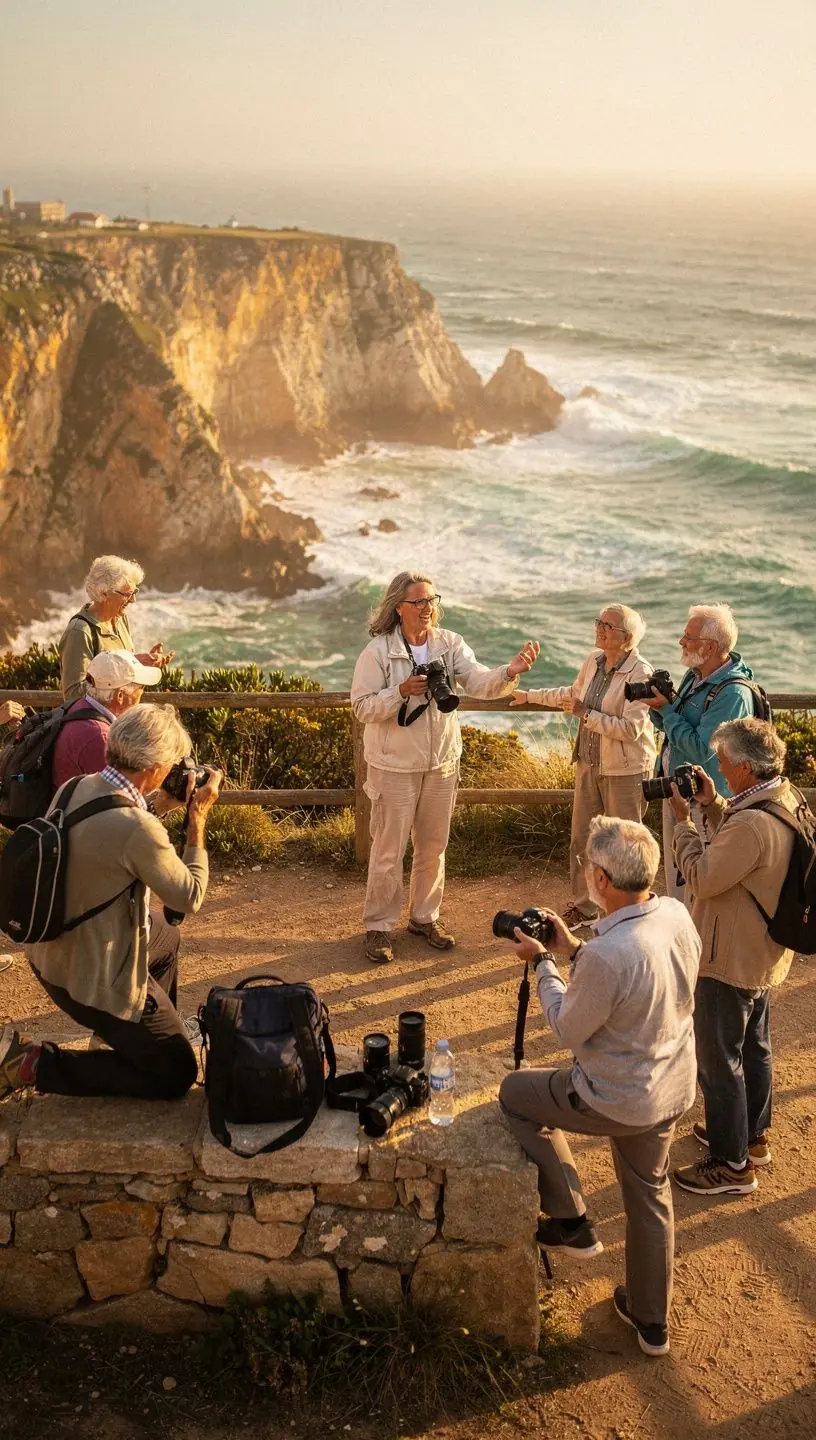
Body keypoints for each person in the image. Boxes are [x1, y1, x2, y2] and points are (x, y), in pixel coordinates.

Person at [499, 815, 701, 1358]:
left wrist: (544, 963)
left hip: (613, 1095)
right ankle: (650, 1322)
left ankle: (573, 1221)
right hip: (670, 1085)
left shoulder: (610, 956)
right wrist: (571, 948)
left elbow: (567, 1027)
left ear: (603, 880)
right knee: (650, 1197)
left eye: (593, 868)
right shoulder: (676, 916)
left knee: (515, 1096)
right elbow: (639, 980)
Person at [0, 705, 221, 1103]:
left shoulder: (77, 786)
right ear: (154, 766)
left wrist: (163, 808)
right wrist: (197, 821)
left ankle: (134, 1037)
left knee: (166, 935)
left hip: (50, 956)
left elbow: (109, 838)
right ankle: (31, 1064)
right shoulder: (138, 828)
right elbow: (188, 896)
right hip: (86, 980)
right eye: (171, 761)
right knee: (176, 1074)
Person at [351, 571, 540, 965]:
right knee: (388, 851)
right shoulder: (378, 652)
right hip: (393, 766)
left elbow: (477, 681)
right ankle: (379, 926)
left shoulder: (449, 643)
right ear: (398, 608)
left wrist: (510, 671)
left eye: (432, 600)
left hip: (441, 763)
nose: (427, 608)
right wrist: (399, 692)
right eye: (418, 602)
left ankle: (424, 917)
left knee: (434, 847)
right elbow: (362, 707)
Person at [669, 719, 799, 1197]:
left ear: (745, 767)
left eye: (723, 763)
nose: (718, 768)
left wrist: (683, 823)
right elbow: (749, 848)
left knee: (718, 1060)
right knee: (753, 1048)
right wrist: (713, 804)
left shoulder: (749, 824)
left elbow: (702, 877)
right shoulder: (782, 797)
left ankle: (731, 1165)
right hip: (762, 951)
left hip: (729, 958)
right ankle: (750, 1137)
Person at [511, 605, 656, 927]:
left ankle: (627, 913)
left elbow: (631, 729)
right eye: (599, 622)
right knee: (583, 839)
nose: (600, 629)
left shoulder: (641, 673)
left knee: (625, 845)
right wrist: (529, 696)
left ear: (628, 638)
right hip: (589, 764)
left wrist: (586, 715)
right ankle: (585, 907)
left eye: (609, 626)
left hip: (626, 771)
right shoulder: (594, 660)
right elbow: (573, 695)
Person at [645, 603, 758, 903]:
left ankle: (699, 946)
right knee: (676, 877)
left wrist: (667, 711)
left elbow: (701, 750)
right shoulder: (695, 676)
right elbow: (672, 726)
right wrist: (657, 708)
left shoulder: (732, 693)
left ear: (709, 647)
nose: (681, 642)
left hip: (705, 802)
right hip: (679, 791)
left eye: (688, 637)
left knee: (697, 885)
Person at [59, 555, 176, 703]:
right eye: (127, 594)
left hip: (120, 718)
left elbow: (120, 670)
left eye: (135, 592)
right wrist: (130, 666)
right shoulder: (80, 631)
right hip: (99, 722)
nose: (133, 600)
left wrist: (139, 665)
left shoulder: (120, 620)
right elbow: (73, 695)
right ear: (104, 593)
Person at [52, 650, 163, 789]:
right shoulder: (100, 738)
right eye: (141, 687)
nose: (143, 693)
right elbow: (122, 802)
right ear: (120, 696)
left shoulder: (79, 707)